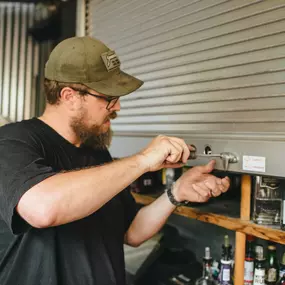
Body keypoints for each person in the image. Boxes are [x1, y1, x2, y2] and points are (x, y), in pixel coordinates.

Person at [0, 36, 230, 285]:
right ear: (69, 96)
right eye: (109, 97)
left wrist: (176, 192)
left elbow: (131, 232)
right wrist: (142, 160)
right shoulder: (12, 142)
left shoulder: (97, 154)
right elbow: (42, 209)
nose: (117, 106)